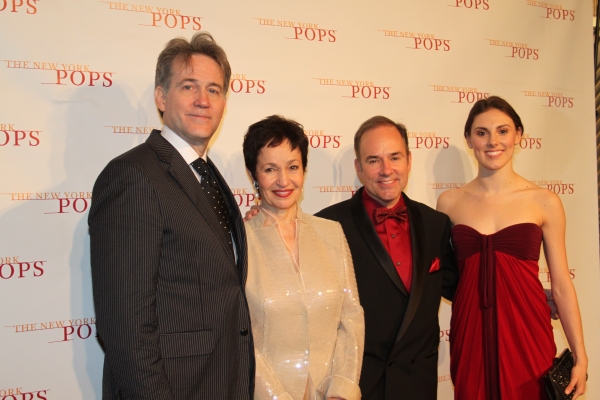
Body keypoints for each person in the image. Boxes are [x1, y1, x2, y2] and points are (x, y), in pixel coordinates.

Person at [89, 32, 254, 399]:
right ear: (161, 97)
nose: (202, 100)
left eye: (214, 89)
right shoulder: (133, 176)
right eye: (188, 86)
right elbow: (124, 326)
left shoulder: (208, 176)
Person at [436, 96, 588, 400]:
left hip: (527, 331)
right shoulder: (449, 203)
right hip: (470, 333)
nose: (493, 141)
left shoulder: (544, 201)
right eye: (482, 133)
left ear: (518, 135)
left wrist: (580, 357)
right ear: (469, 139)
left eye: (503, 131)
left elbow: (560, 284)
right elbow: (445, 276)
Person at [316, 117, 459, 399]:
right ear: (358, 167)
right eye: (373, 160)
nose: (386, 170)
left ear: (409, 160)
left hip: (418, 384)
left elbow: (465, 289)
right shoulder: (327, 226)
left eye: (394, 157)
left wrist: (532, 297)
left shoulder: (437, 224)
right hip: (356, 386)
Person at [243, 115, 364, 400]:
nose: (283, 180)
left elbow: (351, 318)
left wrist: (341, 388)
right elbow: (239, 336)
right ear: (253, 175)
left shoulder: (331, 232)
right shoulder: (238, 244)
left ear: (304, 170)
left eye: (293, 167)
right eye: (270, 169)